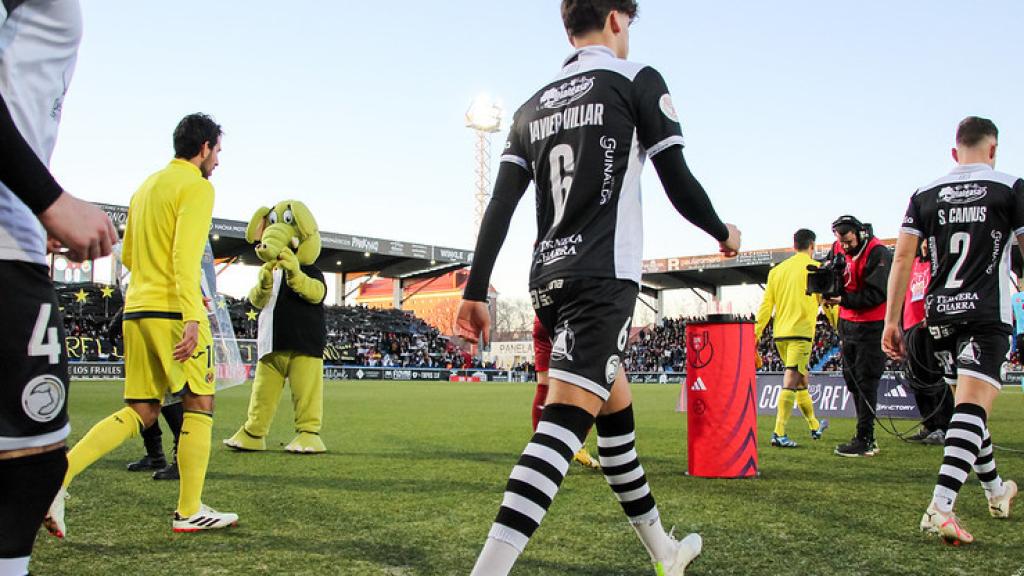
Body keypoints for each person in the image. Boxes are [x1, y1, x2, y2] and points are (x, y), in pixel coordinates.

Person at [456, 2, 741, 573]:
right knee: (562, 426)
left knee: (617, 429)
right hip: (602, 280)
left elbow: (501, 204)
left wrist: (476, 289)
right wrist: (721, 231)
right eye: (629, 22)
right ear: (616, 19)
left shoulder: (531, 107)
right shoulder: (636, 80)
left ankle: (665, 553)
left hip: (548, 283)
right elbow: (677, 179)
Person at [45, 113, 238, 537]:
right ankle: (189, 510)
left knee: (143, 409)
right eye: (217, 151)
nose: (218, 161)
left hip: (137, 308)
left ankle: (57, 477)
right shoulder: (197, 187)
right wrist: (192, 315)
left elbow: (129, 256)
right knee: (200, 402)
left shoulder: (146, 187)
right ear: (204, 147)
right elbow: (185, 256)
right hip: (173, 310)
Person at [0, 1, 119, 574]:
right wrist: (49, 200)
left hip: (15, 233)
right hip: (4, 249)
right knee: (31, 464)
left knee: (31, 464)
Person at [883, 116, 1020, 545]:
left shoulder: (924, 194)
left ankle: (996, 491)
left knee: (967, 409)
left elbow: (902, 258)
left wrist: (892, 320)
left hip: (939, 317)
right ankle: (940, 508)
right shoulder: (1010, 187)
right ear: (993, 150)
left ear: (954, 152)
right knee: (972, 408)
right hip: (986, 314)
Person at [754, 229, 828, 448]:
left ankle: (814, 425)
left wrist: (756, 333)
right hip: (801, 333)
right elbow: (827, 302)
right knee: (791, 380)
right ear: (812, 246)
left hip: (780, 335)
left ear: (794, 245)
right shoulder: (816, 269)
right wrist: (839, 326)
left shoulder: (777, 271)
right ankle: (779, 432)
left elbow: (766, 306)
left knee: (801, 380)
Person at [825, 215, 891, 457]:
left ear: (860, 234)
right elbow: (831, 272)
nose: (845, 247)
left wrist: (843, 299)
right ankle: (863, 435)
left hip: (872, 324)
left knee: (866, 381)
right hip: (847, 324)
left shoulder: (878, 252)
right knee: (852, 380)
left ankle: (866, 437)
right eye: (841, 242)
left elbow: (877, 294)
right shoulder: (837, 248)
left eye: (849, 242)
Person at [899, 242, 953, 446]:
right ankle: (929, 425)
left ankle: (945, 427)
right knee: (917, 379)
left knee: (936, 378)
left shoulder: (941, 263)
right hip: (911, 327)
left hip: (933, 326)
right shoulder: (912, 263)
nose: (923, 244)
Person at [531, 317, 600, 469]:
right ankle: (578, 445)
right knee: (591, 385)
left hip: (542, 317)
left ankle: (540, 450)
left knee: (543, 385)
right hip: (570, 318)